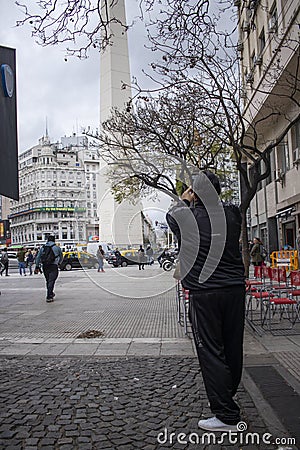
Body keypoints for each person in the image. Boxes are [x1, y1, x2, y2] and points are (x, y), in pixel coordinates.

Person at [166, 170, 245, 432]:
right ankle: (227, 394)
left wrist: (188, 198)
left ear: (195, 193)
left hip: (204, 293)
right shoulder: (233, 214)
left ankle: (226, 415)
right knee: (232, 345)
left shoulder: (185, 217)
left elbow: (171, 214)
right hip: (234, 289)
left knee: (210, 350)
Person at [35, 235, 63, 302]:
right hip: (53, 266)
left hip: (45, 266)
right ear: (54, 240)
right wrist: (59, 263)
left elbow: (38, 257)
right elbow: (61, 257)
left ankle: (50, 293)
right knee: (52, 280)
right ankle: (49, 295)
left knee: (48, 280)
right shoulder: (57, 248)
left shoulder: (43, 248)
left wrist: (37, 266)